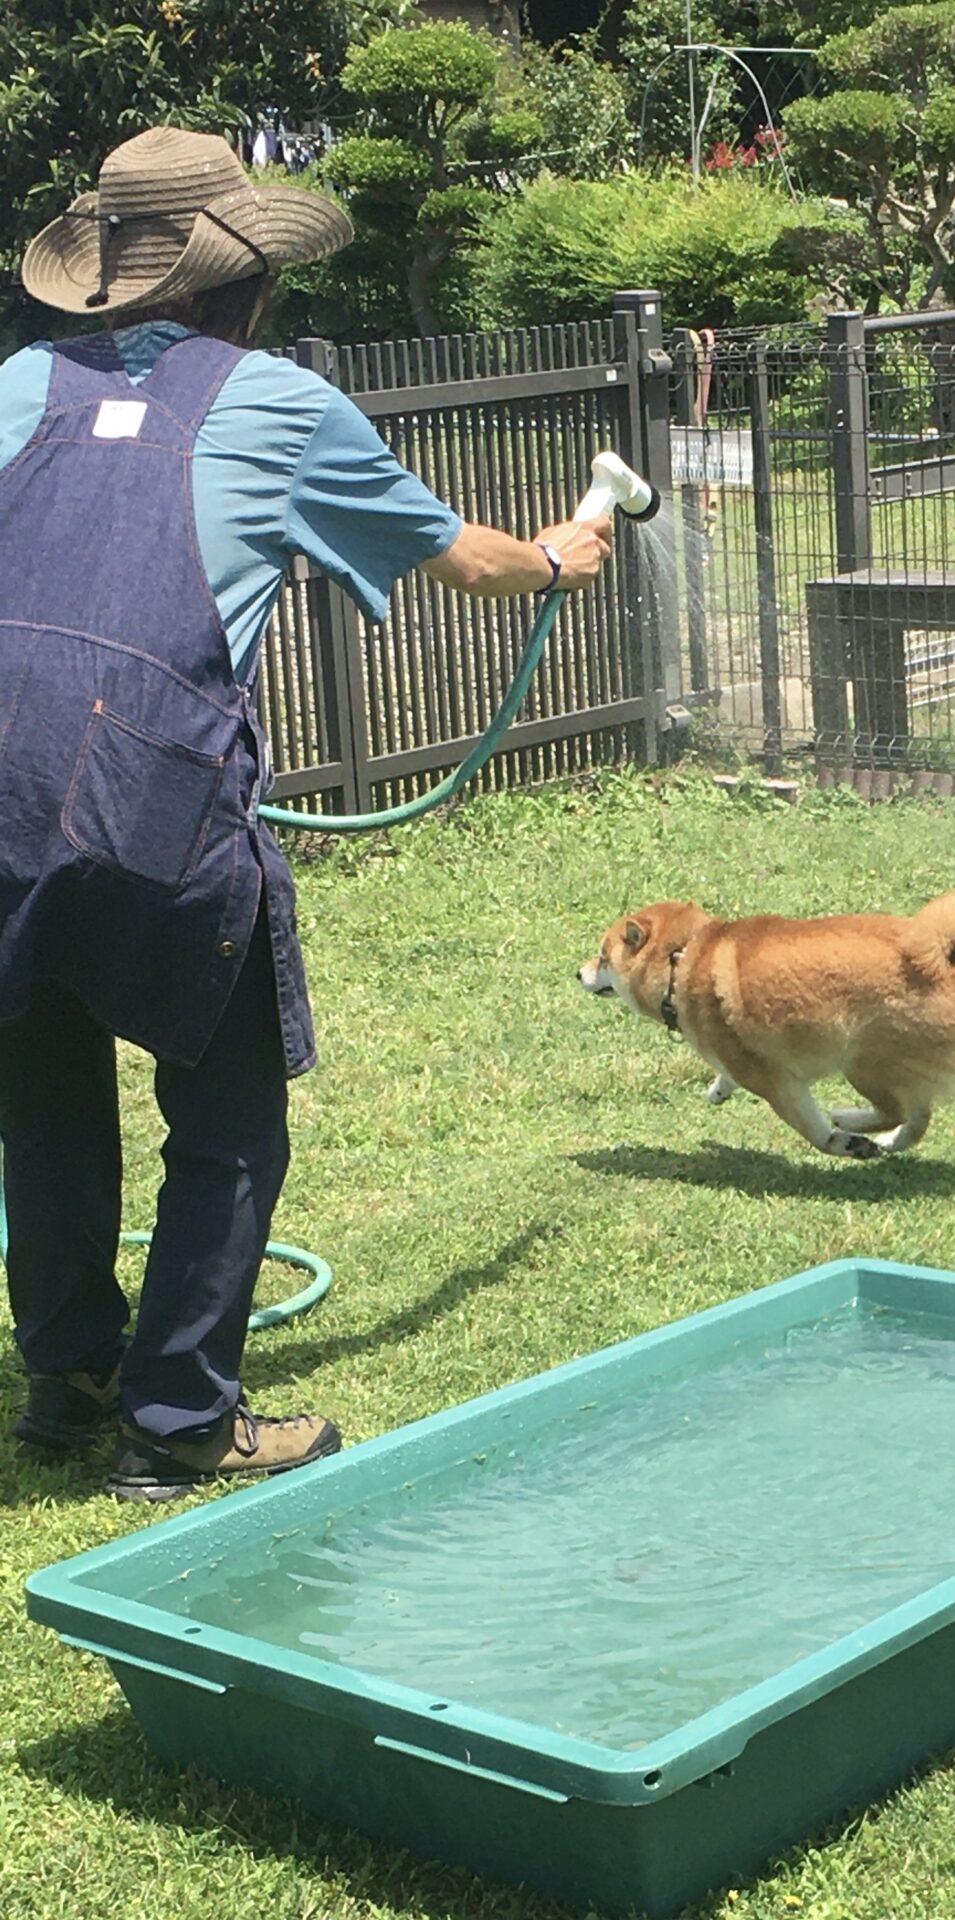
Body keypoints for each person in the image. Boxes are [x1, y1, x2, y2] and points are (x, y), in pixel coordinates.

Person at [0, 127, 613, 1501]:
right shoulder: (278, 404)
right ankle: (177, 1420)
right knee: (227, 1112)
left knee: (41, 1094)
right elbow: (466, 561)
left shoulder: (18, 383)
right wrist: (556, 556)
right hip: (152, 793)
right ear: (253, 277)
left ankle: (70, 1376)